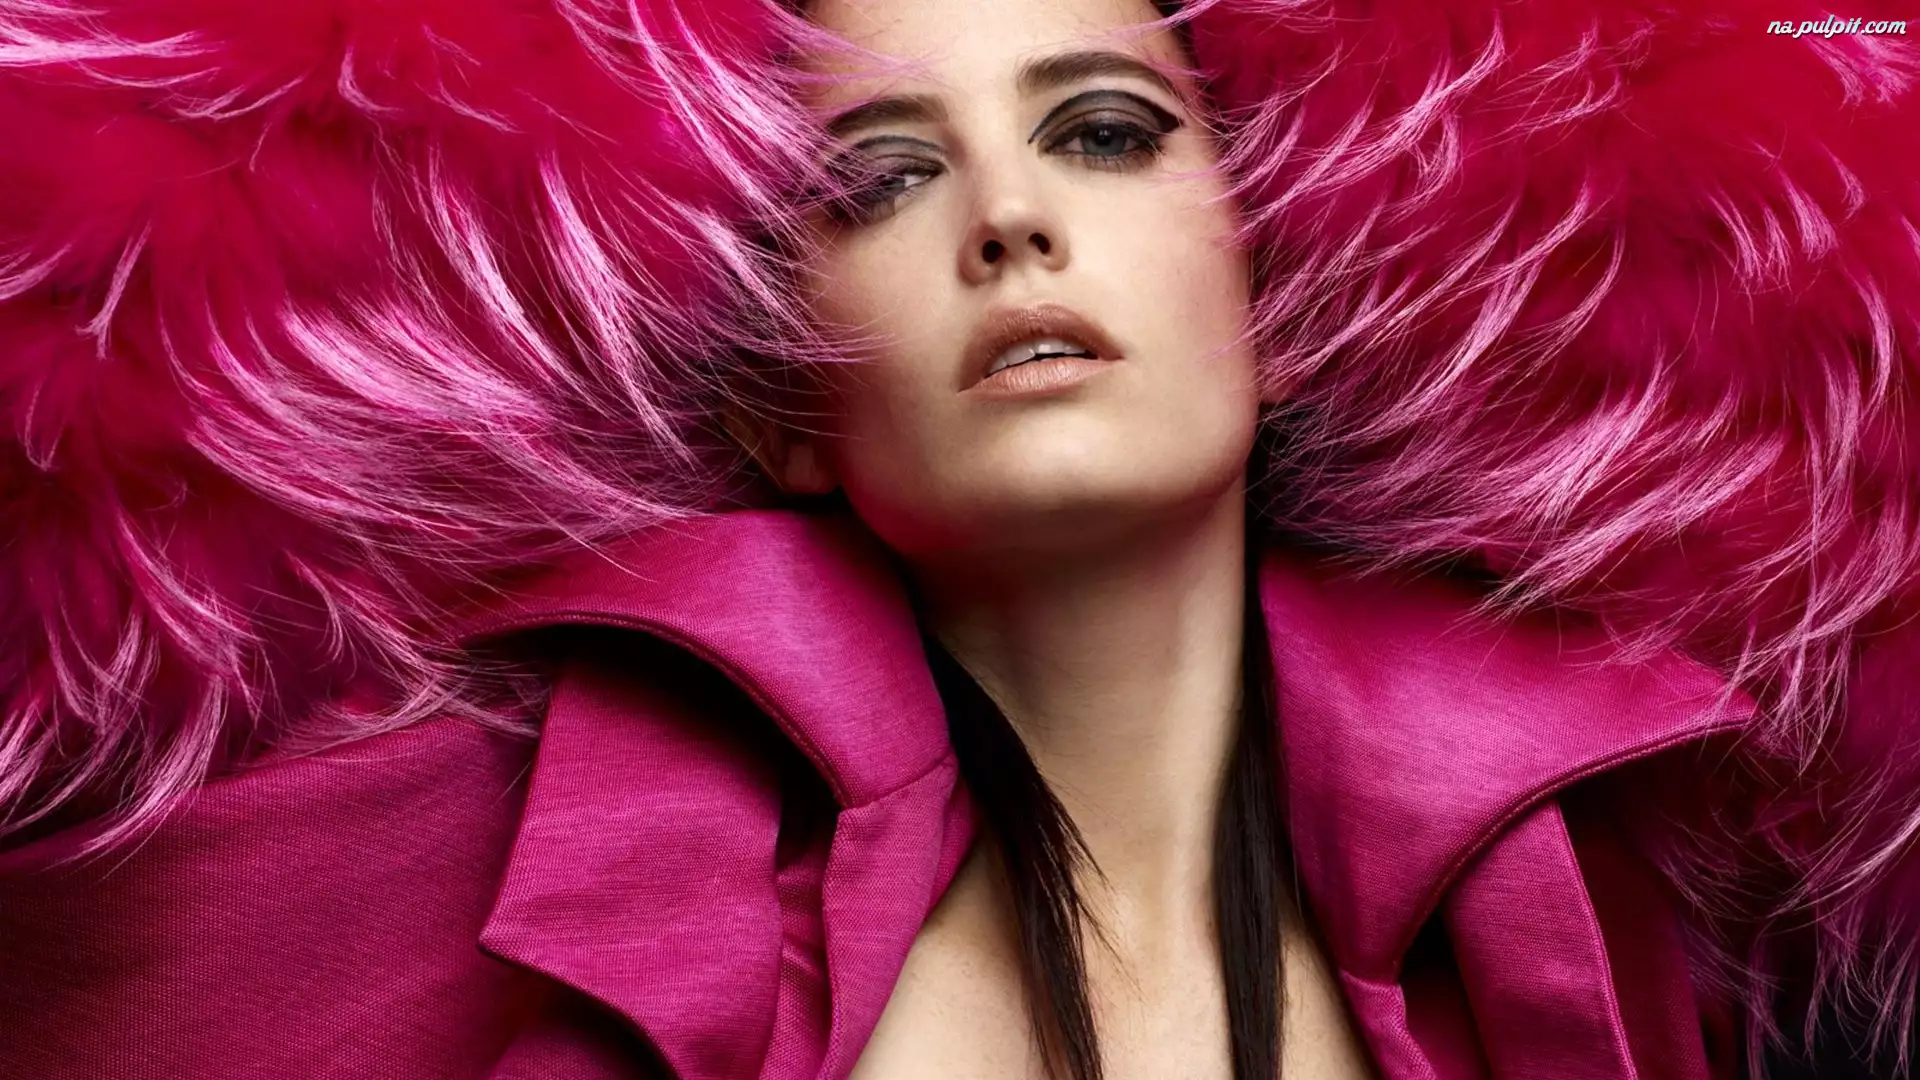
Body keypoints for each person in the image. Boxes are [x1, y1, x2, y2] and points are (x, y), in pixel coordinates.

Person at [0, 1, 1914, 1079]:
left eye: (1105, 133)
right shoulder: (487, 841)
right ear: (783, 413)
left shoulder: (1597, 891)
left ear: (1273, 297)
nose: (1009, 219)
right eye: (882, 178)